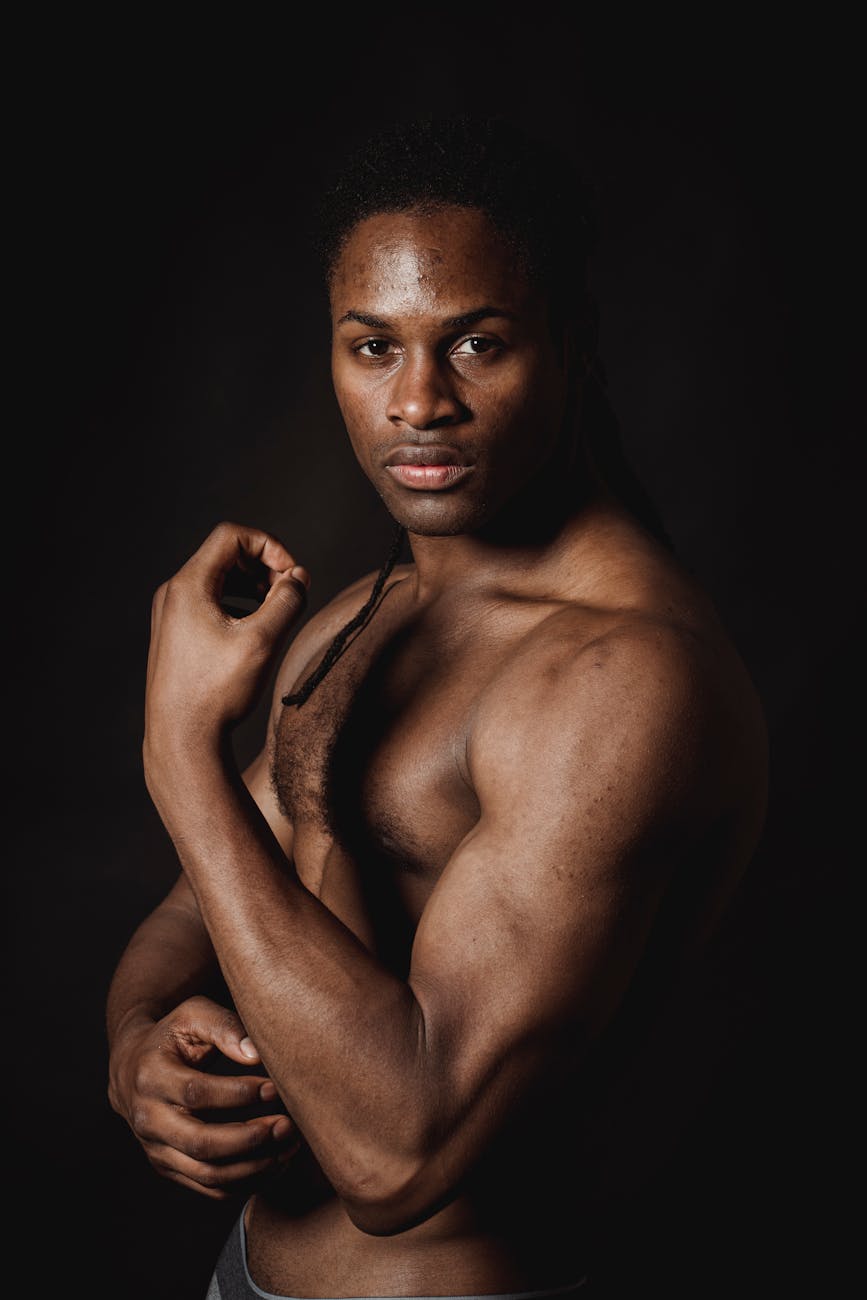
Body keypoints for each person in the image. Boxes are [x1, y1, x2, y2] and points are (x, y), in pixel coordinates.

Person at [106, 116, 769, 1298]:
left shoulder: (622, 680)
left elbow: (400, 1152)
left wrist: (176, 755)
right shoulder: (362, 612)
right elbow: (195, 900)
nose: (419, 401)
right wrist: (137, 1040)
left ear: (569, 344)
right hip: (243, 1271)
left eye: (475, 344)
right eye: (372, 348)